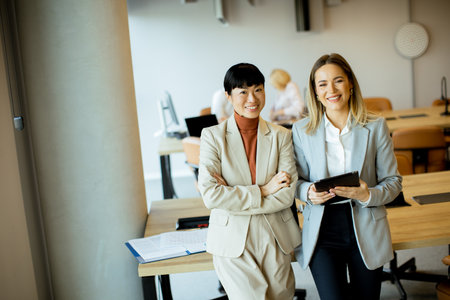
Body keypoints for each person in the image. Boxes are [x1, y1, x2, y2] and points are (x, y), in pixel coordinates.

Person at [292, 53, 402, 300]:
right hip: (322, 230)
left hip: (366, 224)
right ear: (315, 92)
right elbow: (294, 182)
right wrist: (307, 192)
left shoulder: (375, 126)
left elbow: (394, 182)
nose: (331, 89)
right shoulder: (301, 131)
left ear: (350, 83)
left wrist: (368, 194)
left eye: (338, 80)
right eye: (322, 84)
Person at [198, 63, 301, 299]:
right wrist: (264, 190)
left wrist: (233, 195)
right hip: (232, 239)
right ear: (228, 96)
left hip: (275, 235)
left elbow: (286, 195)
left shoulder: (281, 136)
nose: (252, 98)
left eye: (258, 89)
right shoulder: (212, 137)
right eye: (243, 91)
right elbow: (211, 196)